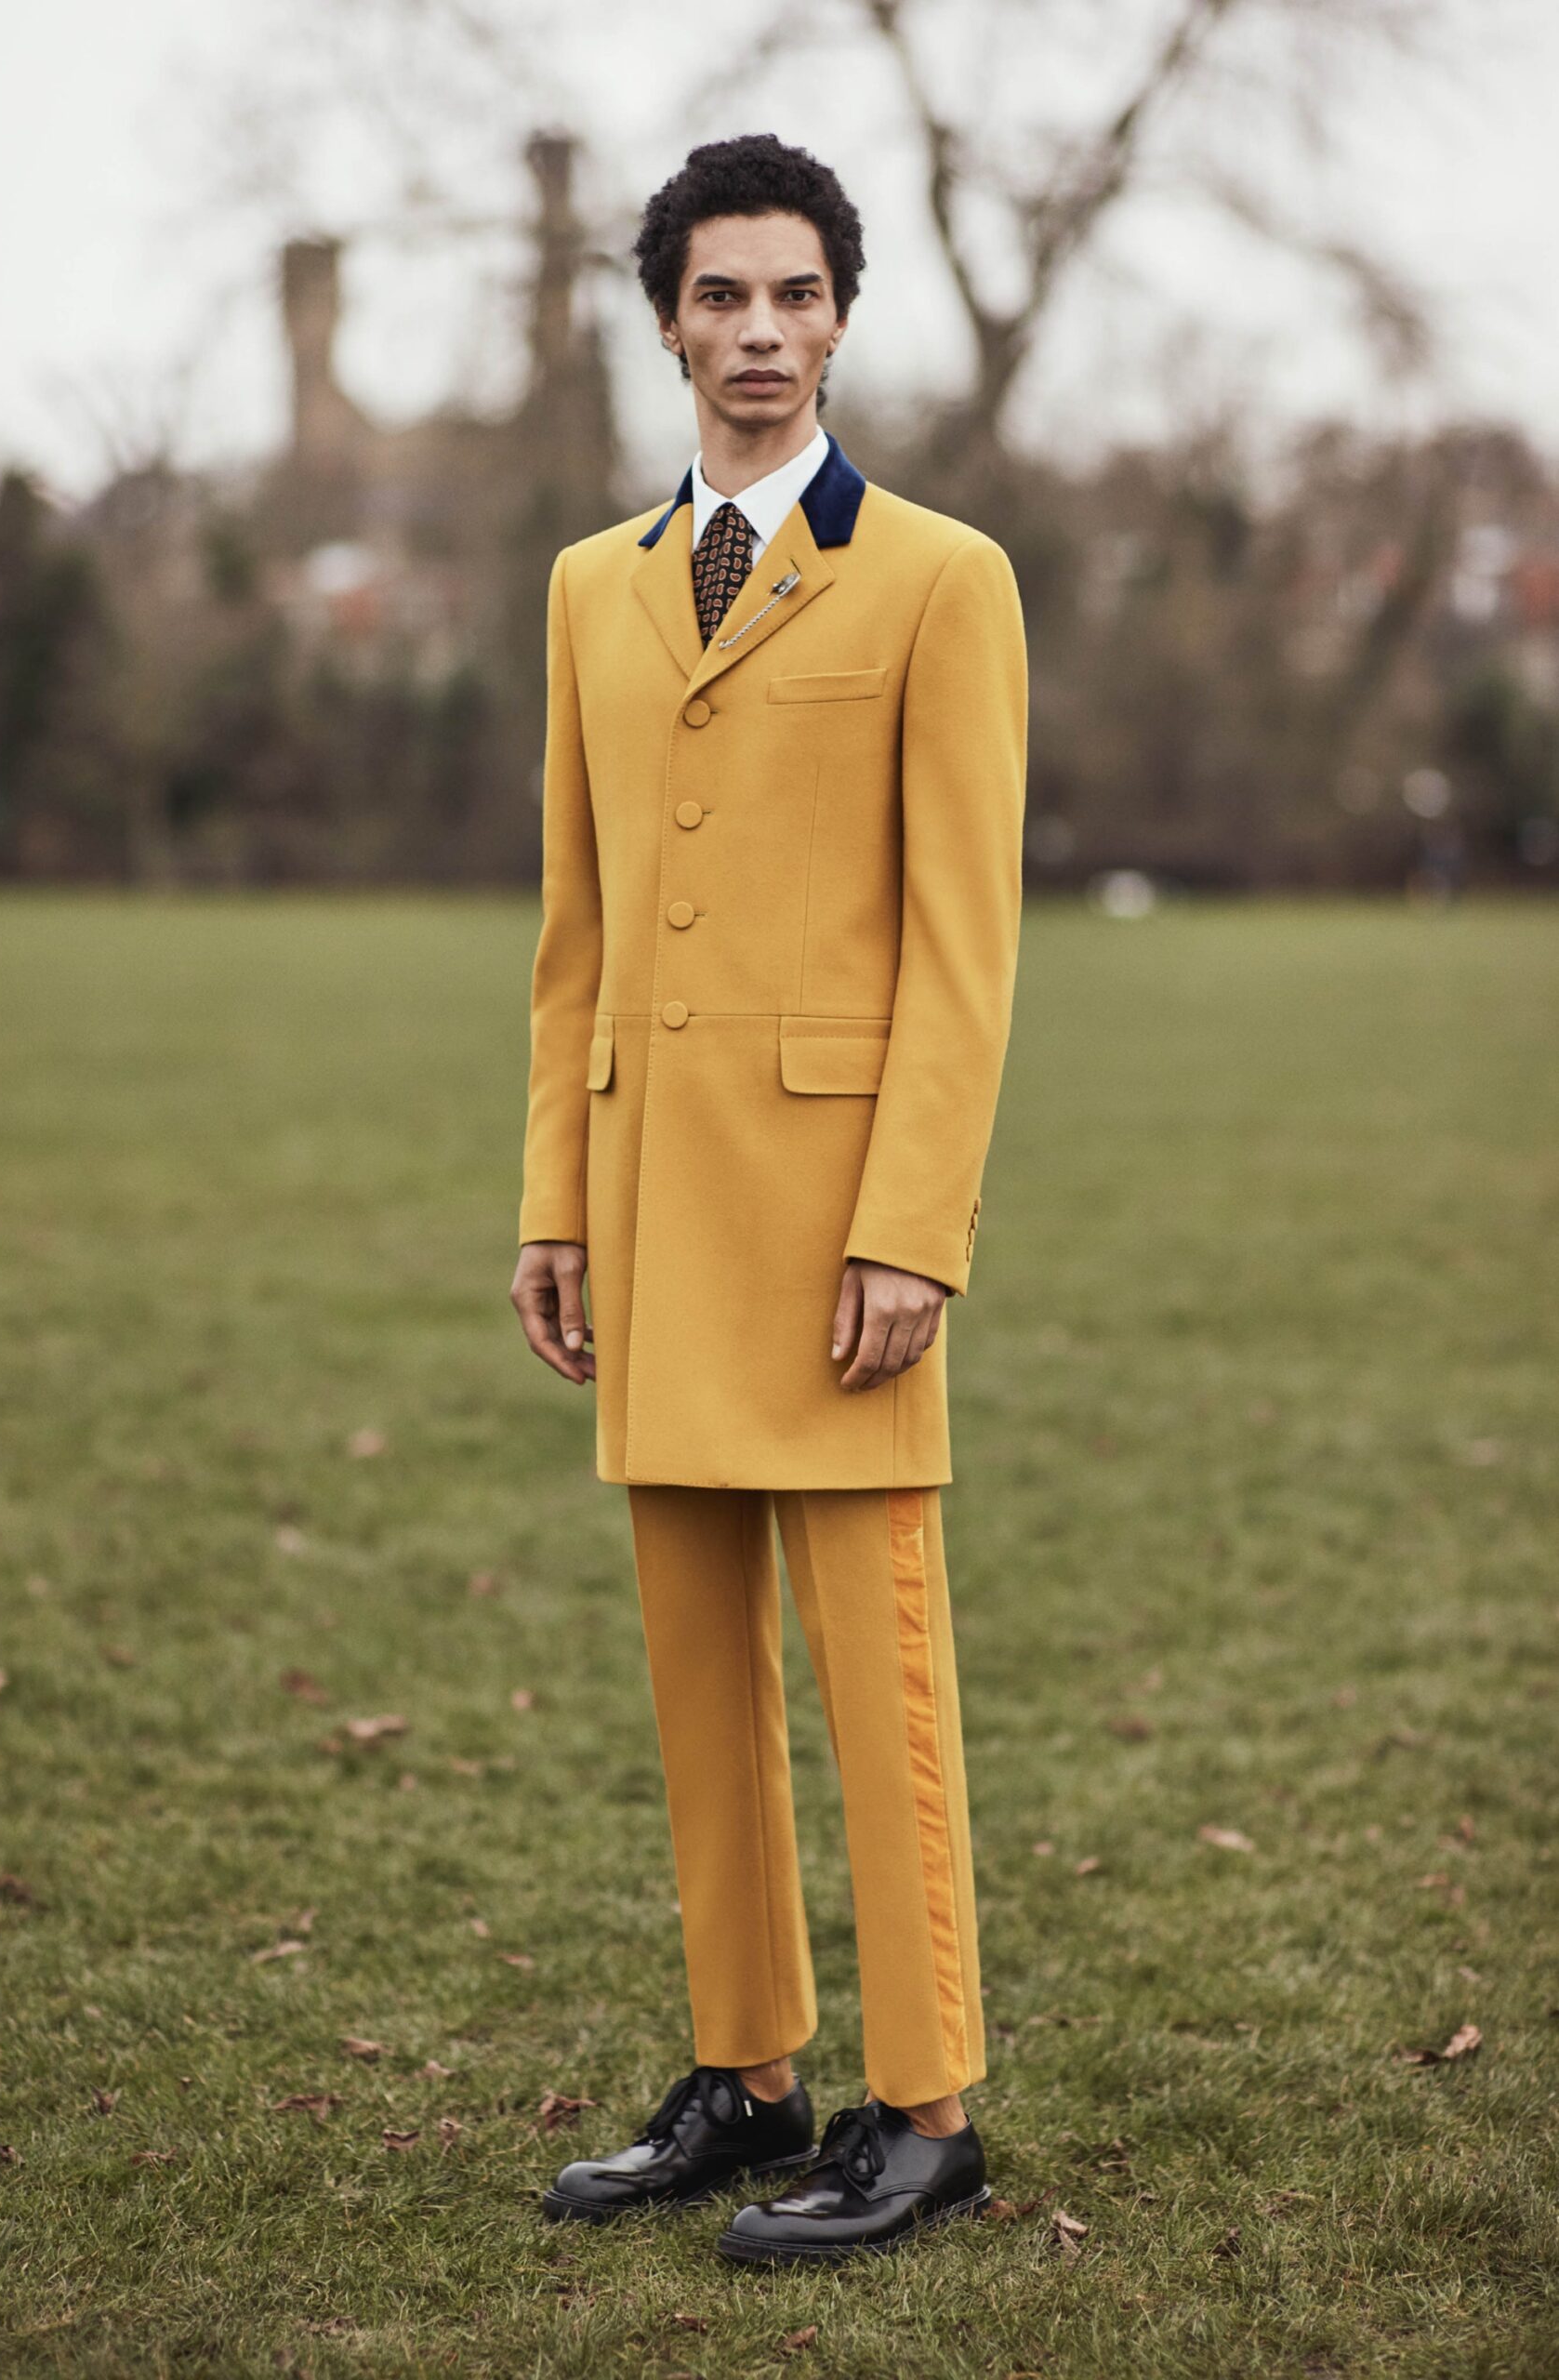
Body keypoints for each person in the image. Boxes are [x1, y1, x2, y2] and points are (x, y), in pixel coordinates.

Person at [511, 132, 1028, 2266]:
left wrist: (913, 1222)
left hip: (836, 1232)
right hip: (648, 1208)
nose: (757, 330)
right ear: (665, 321)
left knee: (873, 1674)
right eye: (718, 294)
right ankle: (746, 2073)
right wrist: (552, 1197)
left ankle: (925, 2108)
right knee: (694, 1675)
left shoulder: (938, 578)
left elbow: (964, 941)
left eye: (793, 293)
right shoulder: (588, 587)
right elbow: (574, 923)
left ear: (837, 319)